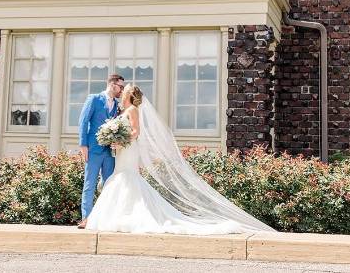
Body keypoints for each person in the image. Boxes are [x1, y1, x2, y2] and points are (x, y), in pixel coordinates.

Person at [85, 84, 275, 235]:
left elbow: (136, 132)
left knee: (127, 177)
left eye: (124, 90)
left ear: (128, 95)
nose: (122, 92)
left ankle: (131, 214)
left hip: (128, 149)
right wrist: (115, 140)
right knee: (121, 177)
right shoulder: (123, 111)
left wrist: (121, 141)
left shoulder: (133, 110)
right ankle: (121, 214)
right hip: (123, 150)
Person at [77, 74, 125, 229]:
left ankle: (105, 218)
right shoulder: (94, 99)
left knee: (109, 184)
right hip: (93, 149)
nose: (122, 90)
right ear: (112, 85)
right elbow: (83, 121)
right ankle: (86, 218)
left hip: (109, 151)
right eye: (120, 87)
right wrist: (83, 145)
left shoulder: (118, 105)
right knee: (90, 183)